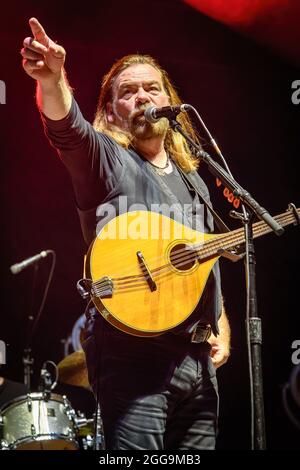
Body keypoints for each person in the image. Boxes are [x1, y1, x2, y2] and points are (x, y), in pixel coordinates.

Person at [21, 17, 231, 450]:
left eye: (152, 89)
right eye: (128, 91)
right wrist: (53, 78)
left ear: (170, 101)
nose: (142, 97)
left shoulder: (194, 179)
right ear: (111, 109)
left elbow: (205, 259)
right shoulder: (107, 159)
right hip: (133, 354)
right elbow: (68, 129)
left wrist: (222, 324)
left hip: (197, 361)